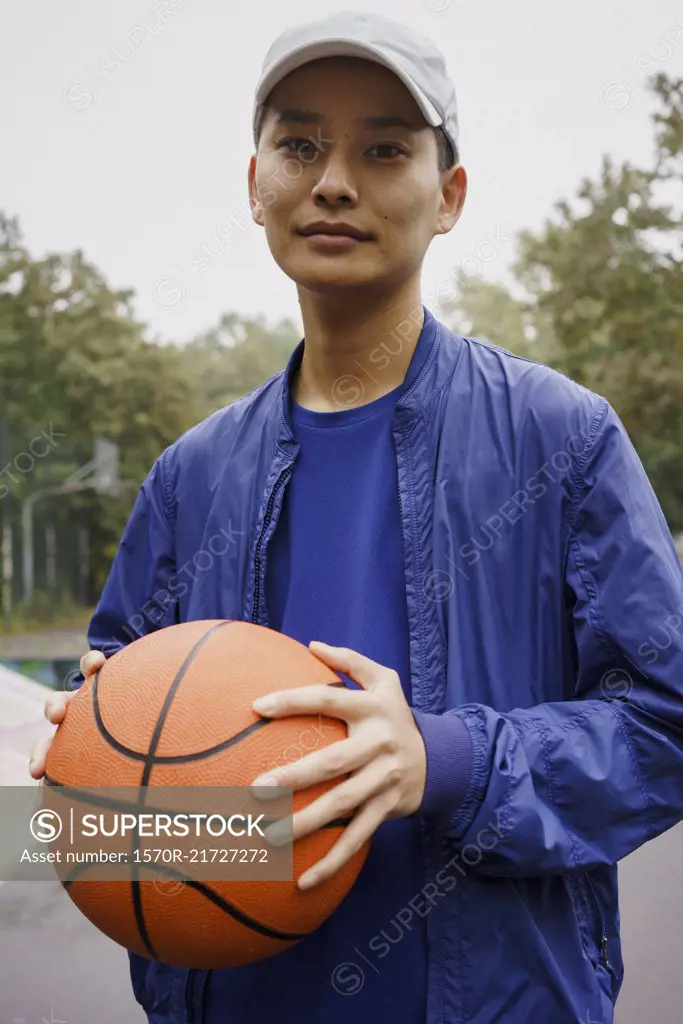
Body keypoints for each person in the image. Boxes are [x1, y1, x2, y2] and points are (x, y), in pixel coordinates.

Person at [29, 10, 683, 1024]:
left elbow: (661, 723)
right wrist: (94, 749)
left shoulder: (561, 439)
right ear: (254, 185)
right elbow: (119, 696)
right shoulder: (188, 476)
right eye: (298, 144)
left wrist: (447, 759)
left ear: (448, 195)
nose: (333, 180)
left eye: (382, 148)